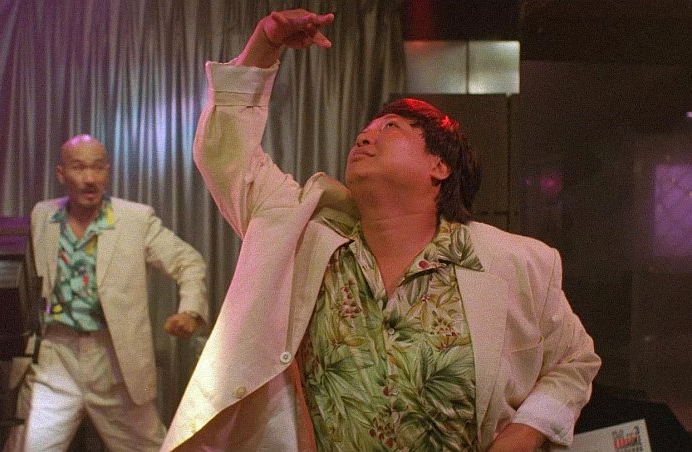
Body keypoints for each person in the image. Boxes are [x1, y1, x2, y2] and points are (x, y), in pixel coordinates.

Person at [162, 9, 600, 452]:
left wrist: (526, 432)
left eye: (391, 128)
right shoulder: (303, 235)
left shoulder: (516, 264)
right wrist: (265, 43)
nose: (364, 137)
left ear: (439, 165)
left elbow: (574, 361)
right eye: (364, 131)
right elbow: (226, 155)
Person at [4, 134, 209, 451]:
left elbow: (188, 262)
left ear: (107, 172)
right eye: (79, 168)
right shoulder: (42, 217)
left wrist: (190, 311)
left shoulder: (135, 220)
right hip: (54, 357)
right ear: (61, 174)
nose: (90, 178)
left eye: (98, 168)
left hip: (115, 361)